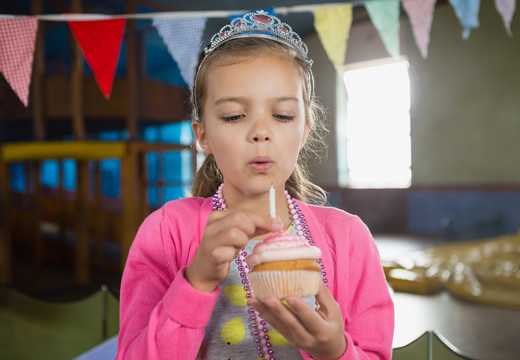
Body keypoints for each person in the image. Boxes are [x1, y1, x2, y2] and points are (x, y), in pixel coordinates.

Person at [117, 10, 394, 360]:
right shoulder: (166, 233)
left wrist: (335, 351)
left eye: (282, 115)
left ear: (304, 130)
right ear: (202, 135)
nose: (260, 132)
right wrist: (196, 282)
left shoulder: (349, 239)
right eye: (234, 115)